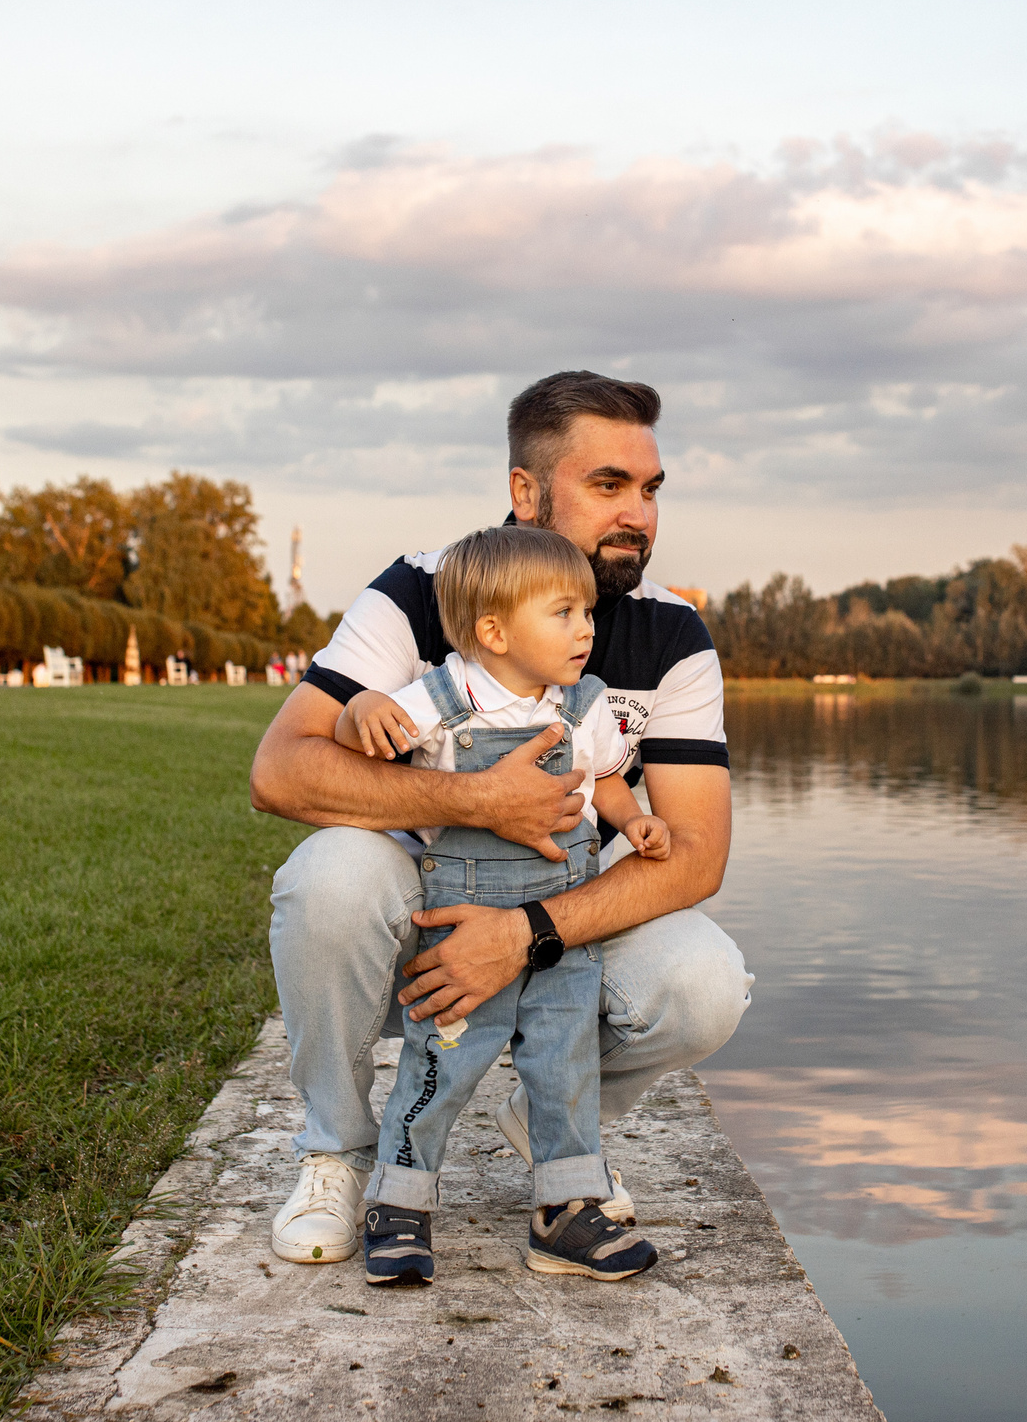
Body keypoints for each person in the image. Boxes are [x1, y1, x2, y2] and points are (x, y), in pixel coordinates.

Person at [251, 370, 747, 1266]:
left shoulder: (672, 635)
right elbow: (280, 770)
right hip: (424, 901)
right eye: (608, 485)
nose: (639, 512)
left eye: (650, 488)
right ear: (526, 491)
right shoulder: (421, 592)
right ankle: (338, 1151)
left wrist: (522, 933)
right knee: (328, 877)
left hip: (555, 901)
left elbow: (695, 854)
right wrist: (473, 799)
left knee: (706, 982)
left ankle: (558, 1120)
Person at [338, 525, 671, 1285]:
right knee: (441, 1061)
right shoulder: (443, 697)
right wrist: (356, 710)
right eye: (564, 613)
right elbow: (367, 741)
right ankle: (401, 1199)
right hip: (463, 921)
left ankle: (566, 1210)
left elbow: (605, 778)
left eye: (587, 612)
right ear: (493, 630)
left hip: (562, 925)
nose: (587, 629)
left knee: (565, 1063)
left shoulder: (584, 703)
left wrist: (632, 821)